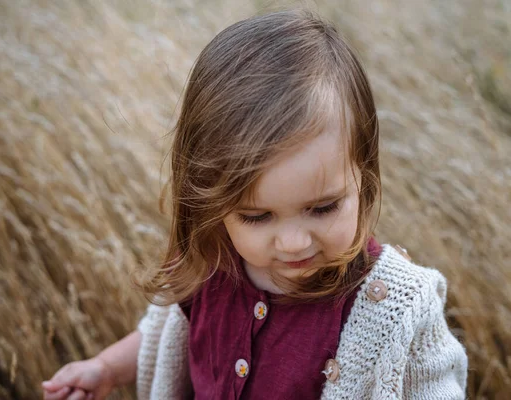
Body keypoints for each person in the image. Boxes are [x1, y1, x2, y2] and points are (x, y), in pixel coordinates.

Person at [42, 9, 468, 400]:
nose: (294, 242)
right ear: (213, 202)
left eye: (323, 208)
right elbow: (165, 335)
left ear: (364, 174)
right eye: (256, 216)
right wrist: (105, 369)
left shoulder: (395, 307)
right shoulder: (210, 263)